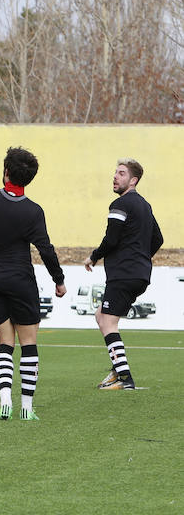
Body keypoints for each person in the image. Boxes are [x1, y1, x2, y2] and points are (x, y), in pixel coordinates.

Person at [0, 147, 66, 421]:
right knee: (28, 345)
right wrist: (59, 281)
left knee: (6, 342)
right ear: (29, 178)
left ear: (5, 171)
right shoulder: (33, 211)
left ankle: (4, 399)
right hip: (21, 280)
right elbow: (46, 249)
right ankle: (26, 408)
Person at [83, 158, 163, 390]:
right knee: (101, 316)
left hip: (124, 273)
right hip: (139, 274)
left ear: (133, 180)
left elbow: (111, 238)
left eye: (121, 173)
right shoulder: (144, 205)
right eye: (115, 172)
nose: (115, 177)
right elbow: (158, 239)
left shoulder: (121, 204)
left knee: (108, 321)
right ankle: (117, 369)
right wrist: (140, 256)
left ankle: (124, 378)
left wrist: (94, 256)